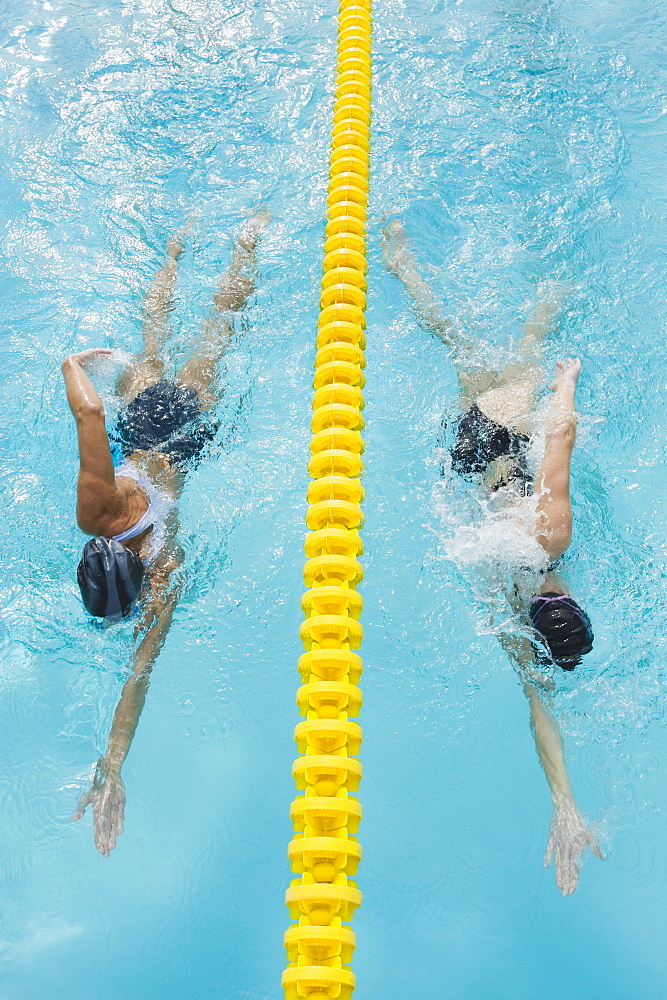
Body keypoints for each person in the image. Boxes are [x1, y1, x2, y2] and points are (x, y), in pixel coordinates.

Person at [383, 218, 602, 895]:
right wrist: (562, 803)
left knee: (521, 347)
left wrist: (565, 385)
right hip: (468, 460)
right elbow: (539, 711)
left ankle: (419, 268)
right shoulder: (509, 615)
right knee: (458, 352)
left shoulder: (549, 538)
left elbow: (558, 445)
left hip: (503, 435)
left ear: (568, 602)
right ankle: (405, 269)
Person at [63, 211, 270, 855]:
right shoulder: (98, 513)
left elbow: (139, 674)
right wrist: (73, 362)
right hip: (139, 426)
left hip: (186, 442)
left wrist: (115, 765)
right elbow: (89, 408)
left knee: (217, 334)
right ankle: (179, 244)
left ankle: (248, 244)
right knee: (153, 338)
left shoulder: (165, 571)